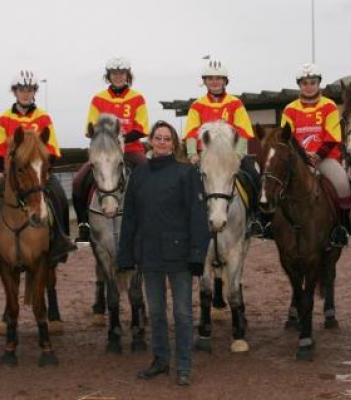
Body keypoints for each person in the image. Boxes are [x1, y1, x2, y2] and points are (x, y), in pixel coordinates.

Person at [117, 120, 210, 386]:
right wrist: (125, 254)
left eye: (167, 138)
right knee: (156, 313)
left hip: (179, 256)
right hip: (149, 255)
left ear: (174, 143)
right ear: (150, 142)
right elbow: (130, 219)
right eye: (157, 138)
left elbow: (197, 216)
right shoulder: (139, 175)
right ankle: (159, 361)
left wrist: (196, 254)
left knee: (182, 313)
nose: (161, 142)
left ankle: (183, 366)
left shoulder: (187, 173)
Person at [0, 69, 76, 264]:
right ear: (15, 92)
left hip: (38, 174)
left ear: (35, 92)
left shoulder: (44, 118)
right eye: (21, 89)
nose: (25, 93)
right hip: (11, 176)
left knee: (58, 194)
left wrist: (44, 172)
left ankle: (61, 240)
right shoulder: (4, 119)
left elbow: (51, 148)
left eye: (29, 90)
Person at [183, 58, 264, 237]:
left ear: (225, 81)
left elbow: (243, 131)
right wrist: (191, 154)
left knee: (253, 176)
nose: (214, 82)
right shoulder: (197, 105)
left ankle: (254, 218)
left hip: (231, 157)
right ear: (204, 81)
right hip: (205, 157)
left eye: (218, 78)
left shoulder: (235, 103)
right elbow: (190, 132)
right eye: (210, 78)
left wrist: (239, 154)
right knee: (184, 182)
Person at [72, 57, 149, 243]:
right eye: (114, 74)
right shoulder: (98, 99)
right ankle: (84, 225)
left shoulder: (137, 98)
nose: (118, 77)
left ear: (127, 75)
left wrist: (121, 139)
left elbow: (142, 128)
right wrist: (107, 141)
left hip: (131, 149)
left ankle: (150, 221)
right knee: (78, 181)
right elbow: (90, 128)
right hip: (104, 152)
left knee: (150, 175)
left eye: (122, 73)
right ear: (109, 76)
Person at [281, 63, 351, 247]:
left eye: (313, 82)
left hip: (325, 158)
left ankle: (341, 229)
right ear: (299, 85)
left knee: (344, 185)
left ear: (318, 83)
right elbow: (285, 137)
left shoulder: (328, 106)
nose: (309, 86)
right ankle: (269, 225)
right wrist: (302, 156)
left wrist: (318, 155)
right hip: (298, 160)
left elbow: (333, 135)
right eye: (305, 83)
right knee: (275, 183)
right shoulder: (290, 109)